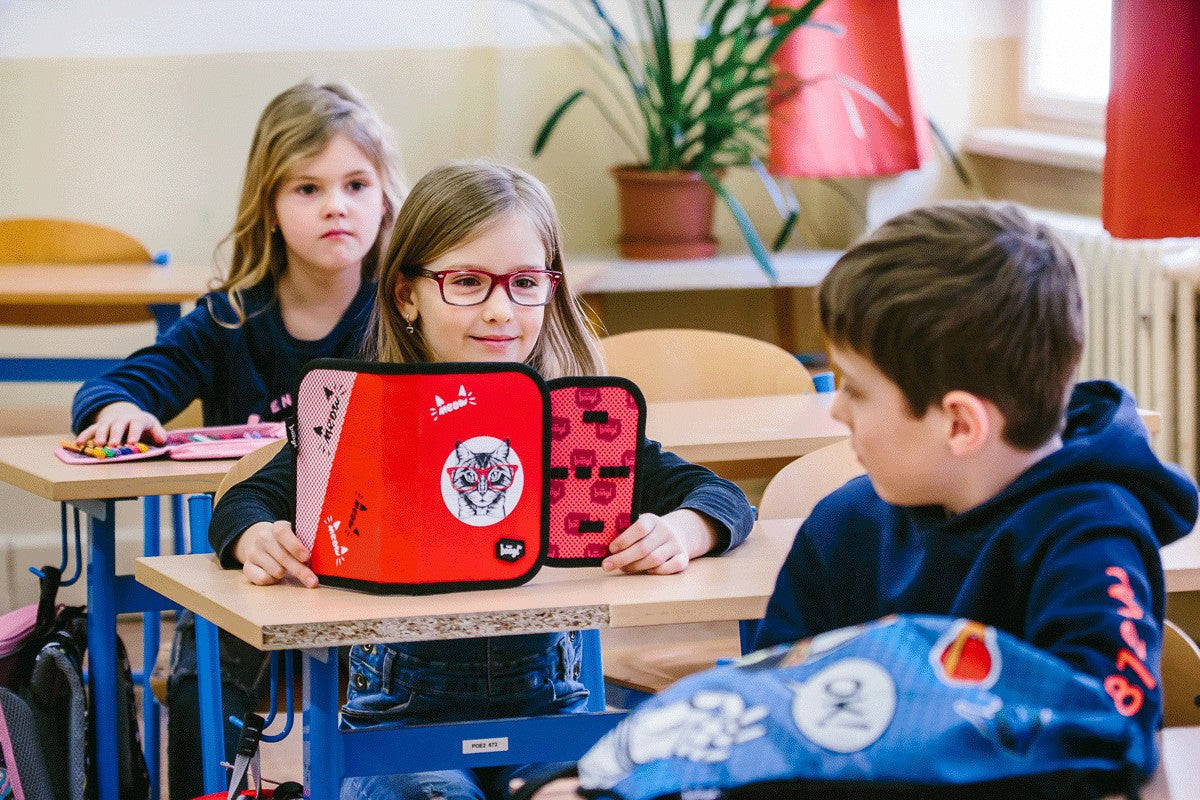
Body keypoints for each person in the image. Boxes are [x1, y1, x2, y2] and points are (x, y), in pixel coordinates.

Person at [208, 160, 756, 800]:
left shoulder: (571, 424)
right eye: (467, 282)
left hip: (550, 721)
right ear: (407, 294)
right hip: (396, 732)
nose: (501, 310)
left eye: (524, 282)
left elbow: (721, 497)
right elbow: (245, 499)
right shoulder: (366, 421)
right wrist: (255, 536)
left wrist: (685, 530)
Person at [753, 202, 1198, 776]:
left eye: (857, 390)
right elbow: (766, 719)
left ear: (960, 425)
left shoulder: (1090, 543)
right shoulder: (842, 526)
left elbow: (1106, 744)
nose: (837, 409)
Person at [70, 80, 405, 799]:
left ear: (385, 198)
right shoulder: (227, 322)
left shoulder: (403, 318)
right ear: (271, 207)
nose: (336, 206)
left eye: (356, 183)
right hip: (252, 577)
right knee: (198, 686)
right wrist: (119, 411)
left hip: (376, 582)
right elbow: (107, 390)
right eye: (307, 188)